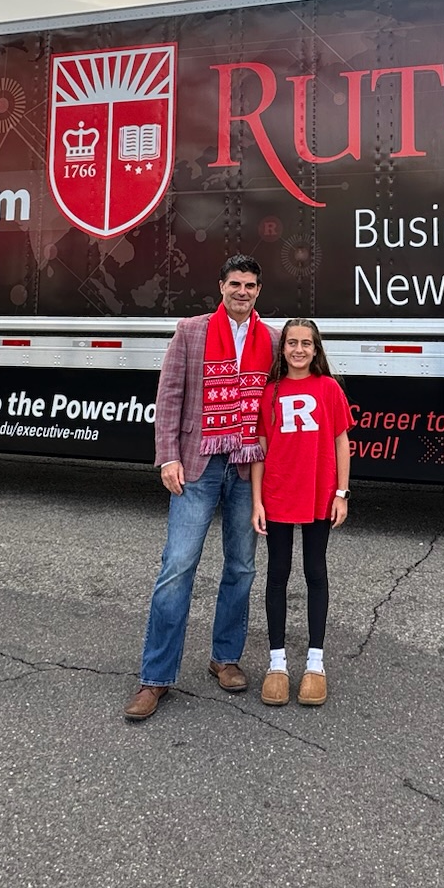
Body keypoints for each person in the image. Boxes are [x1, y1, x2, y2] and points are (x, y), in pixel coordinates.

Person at [124, 256, 276, 722]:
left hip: (246, 464)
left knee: (243, 567)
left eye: (251, 285)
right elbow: (169, 395)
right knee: (177, 566)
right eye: (235, 284)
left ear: (258, 290)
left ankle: (224, 658)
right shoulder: (191, 330)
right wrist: (167, 456)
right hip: (198, 464)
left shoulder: (269, 338)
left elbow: (273, 407)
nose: (243, 291)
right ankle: (155, 677)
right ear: (221, 286)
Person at [250, 319, 351, 708]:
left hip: (317, 495)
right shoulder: (270, 391)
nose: (298, 349)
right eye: (292, 342)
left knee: (315, 573)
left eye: (306, 343)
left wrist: (341, 493)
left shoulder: (328, 389)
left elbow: (342, 443)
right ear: (283, 348)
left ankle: (315, 663)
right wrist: (257, 501)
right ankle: (277, 663)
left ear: (316, 349)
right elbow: (260, 450)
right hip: (277, 495)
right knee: (277, 574)